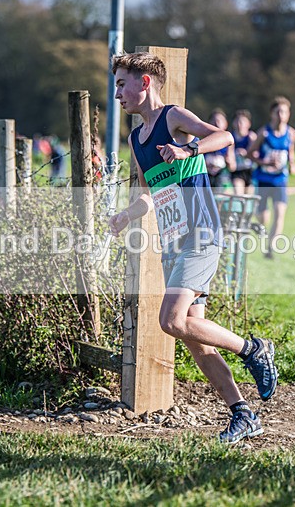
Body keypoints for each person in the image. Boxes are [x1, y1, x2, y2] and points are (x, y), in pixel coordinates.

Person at [108, 52, 278, 444]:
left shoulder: (172, 118)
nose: (117, 94)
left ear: (144, 82)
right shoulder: (136, 139)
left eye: (121, 84)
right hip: (174, 245)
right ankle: (243, 414)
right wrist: (126, 216)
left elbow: (224, 137)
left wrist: (189, 150)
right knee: (196, 340)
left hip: (201, 235)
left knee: (170, 321)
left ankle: (253, 349)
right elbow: (150, 194)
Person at [247, 96, 295, 259]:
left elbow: (290, 152)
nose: (281, 115)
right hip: (263, 179)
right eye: (278, 112)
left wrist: (292, 164)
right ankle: (260, 226)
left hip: (280, 179)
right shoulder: (264, 132)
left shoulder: (291, 133)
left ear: (288, 114)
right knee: (263, 217)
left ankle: (270, 248)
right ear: (272, 114)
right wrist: (265, 162)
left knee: (280, 212)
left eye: (284, 112)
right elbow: (250, 153)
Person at [204, 109, 234, 194]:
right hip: (207, 174)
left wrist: (227, 161)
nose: (216, 123)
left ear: (225, 124)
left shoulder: (229, 141)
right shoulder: (204, 139)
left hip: (221, 175)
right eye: (213, 120)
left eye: (220, 121)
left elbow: (232, 167)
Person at [230, 110, 256, 195]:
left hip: (250, 171)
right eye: (237, 121)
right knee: (239, 195)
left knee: (249, 197)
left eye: (243, 122)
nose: (239, 124)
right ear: (233, 123)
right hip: (237, 171)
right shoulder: (231, 137)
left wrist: (246, 154)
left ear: (249, 124)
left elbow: (256, 155)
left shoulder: (251, 137)